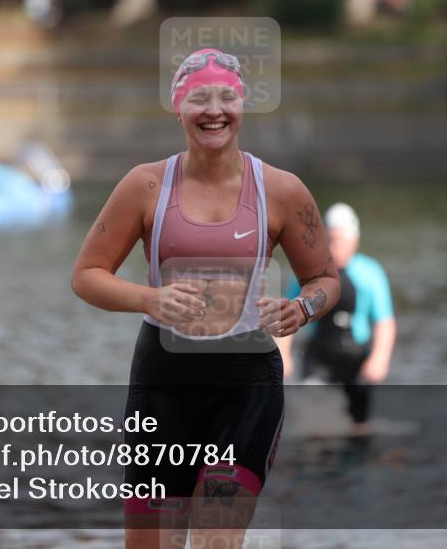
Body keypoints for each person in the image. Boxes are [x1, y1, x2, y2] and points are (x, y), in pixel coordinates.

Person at [72, 48, 340, 549]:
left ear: (242, 107)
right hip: (163, 381)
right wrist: (150, 300)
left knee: (216, 539)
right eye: (199, 98)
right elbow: (87, 275)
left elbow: (326, 279)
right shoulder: (146, 185)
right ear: (179, 108)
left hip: (246, 382)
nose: (213, 110)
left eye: (226, 98)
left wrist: (302, 307)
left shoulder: (282, 191)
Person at [277, 203, 396, 432]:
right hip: (320, 356)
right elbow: (287, 313)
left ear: (354, 241)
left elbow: (385, 322)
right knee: (313, 416)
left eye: (340, 241)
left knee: (358, 426)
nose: (334, 247)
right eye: (329, 240)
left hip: (356, 358)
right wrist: (283, 354)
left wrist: (380, 358)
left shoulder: (370, 273)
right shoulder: (310, 273)